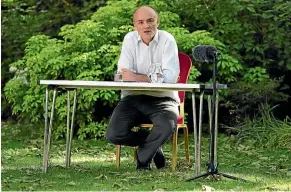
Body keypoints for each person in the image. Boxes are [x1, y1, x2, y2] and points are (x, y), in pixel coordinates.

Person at [106, 5, 180, 170]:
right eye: (141, 22)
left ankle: (143, 160)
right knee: (113, 134)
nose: (146, 25)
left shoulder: (168, 40)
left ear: (157, 22)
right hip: (133, 98)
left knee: (167, 125)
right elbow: (123, 75)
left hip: (163, 99)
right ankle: (153, 144)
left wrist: (138, 77)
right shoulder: (129, 39)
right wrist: (151, 77)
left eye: (150, 21)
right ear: (135, 25)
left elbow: (169, 77)